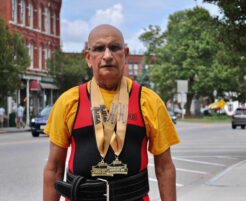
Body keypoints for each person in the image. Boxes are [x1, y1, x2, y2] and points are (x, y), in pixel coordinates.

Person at [43, 24, 180, 201]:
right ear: (88, 57)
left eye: (114, 48)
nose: (107, 55)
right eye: (99, 49)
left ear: (125, 54)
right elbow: (54, 168)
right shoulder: (68, 101)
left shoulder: (149, 101)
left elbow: (165, 168)